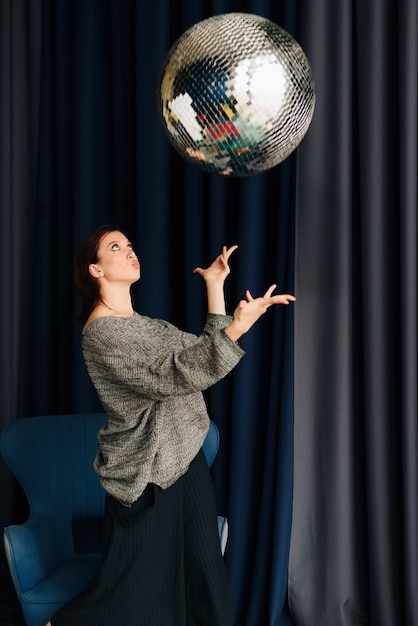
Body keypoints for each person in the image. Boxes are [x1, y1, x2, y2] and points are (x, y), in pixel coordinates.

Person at [47, 224, 295, 626]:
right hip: (147, 473)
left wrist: (215, 287)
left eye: (130, 244)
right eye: (116, 247)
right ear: (95, 269)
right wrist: (238, 327)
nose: (130, 251)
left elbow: (203, 356)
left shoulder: (148, 325)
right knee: (131, 600)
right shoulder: (102, 333)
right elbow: (178, 375)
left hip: (185, 456)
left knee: (206, 588)